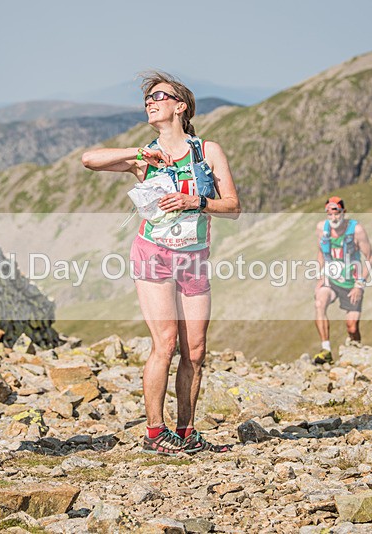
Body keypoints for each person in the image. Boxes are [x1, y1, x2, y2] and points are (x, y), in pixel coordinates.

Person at [82, 71, 240, 454]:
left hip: (194, 258)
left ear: (180, 106)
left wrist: (196, 202)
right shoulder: (145, 156)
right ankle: (155, 432)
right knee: (165, 342)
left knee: (196, 351)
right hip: (153, 254)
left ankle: (185, 433)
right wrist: (136, 155)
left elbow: (233, 207)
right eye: (147, 99)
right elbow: (90, 160)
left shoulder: (207, 151)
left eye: (158, 96)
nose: (150, 102)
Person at [313, 196, 372, 364]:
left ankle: (356, 350)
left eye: (337, 213)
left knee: (352, 326)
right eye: (329, 214)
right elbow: (320, 252)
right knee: (320, 303)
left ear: (343, 212)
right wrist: (321, 275)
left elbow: (369, 258)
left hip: (352, 283)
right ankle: (326, 350)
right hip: (331, 280)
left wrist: (359, 284)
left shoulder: (356, 230)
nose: (333, 218)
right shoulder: (321, 229)